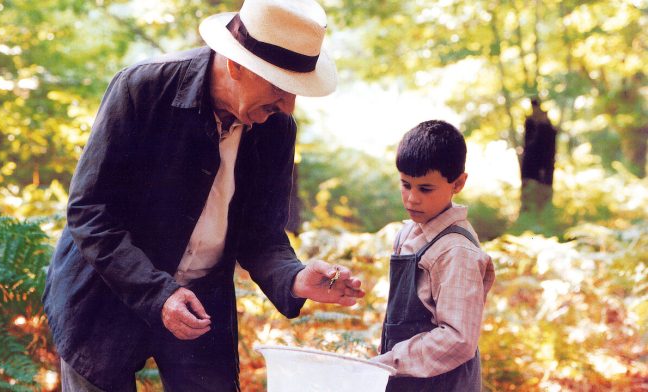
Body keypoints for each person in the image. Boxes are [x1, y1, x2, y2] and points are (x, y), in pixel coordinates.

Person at [42, 0, 364, 391]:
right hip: (107, 294)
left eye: (295, 91)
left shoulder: (277, 127)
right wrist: (159, 294)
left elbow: (261, 235)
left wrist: (295, 277)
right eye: (280, 87)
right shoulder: (141, 89)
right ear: (237, 64)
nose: (288, 105)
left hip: (203, 303)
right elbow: (89, 211)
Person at [371, 120, 495, 391]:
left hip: (443, 384)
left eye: (425, 188)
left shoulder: (456, 252)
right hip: (403, 377)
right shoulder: (407, 234)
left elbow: (458, 339)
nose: (412, 199)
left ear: (458, 183)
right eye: (405, 184)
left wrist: (391, 360)